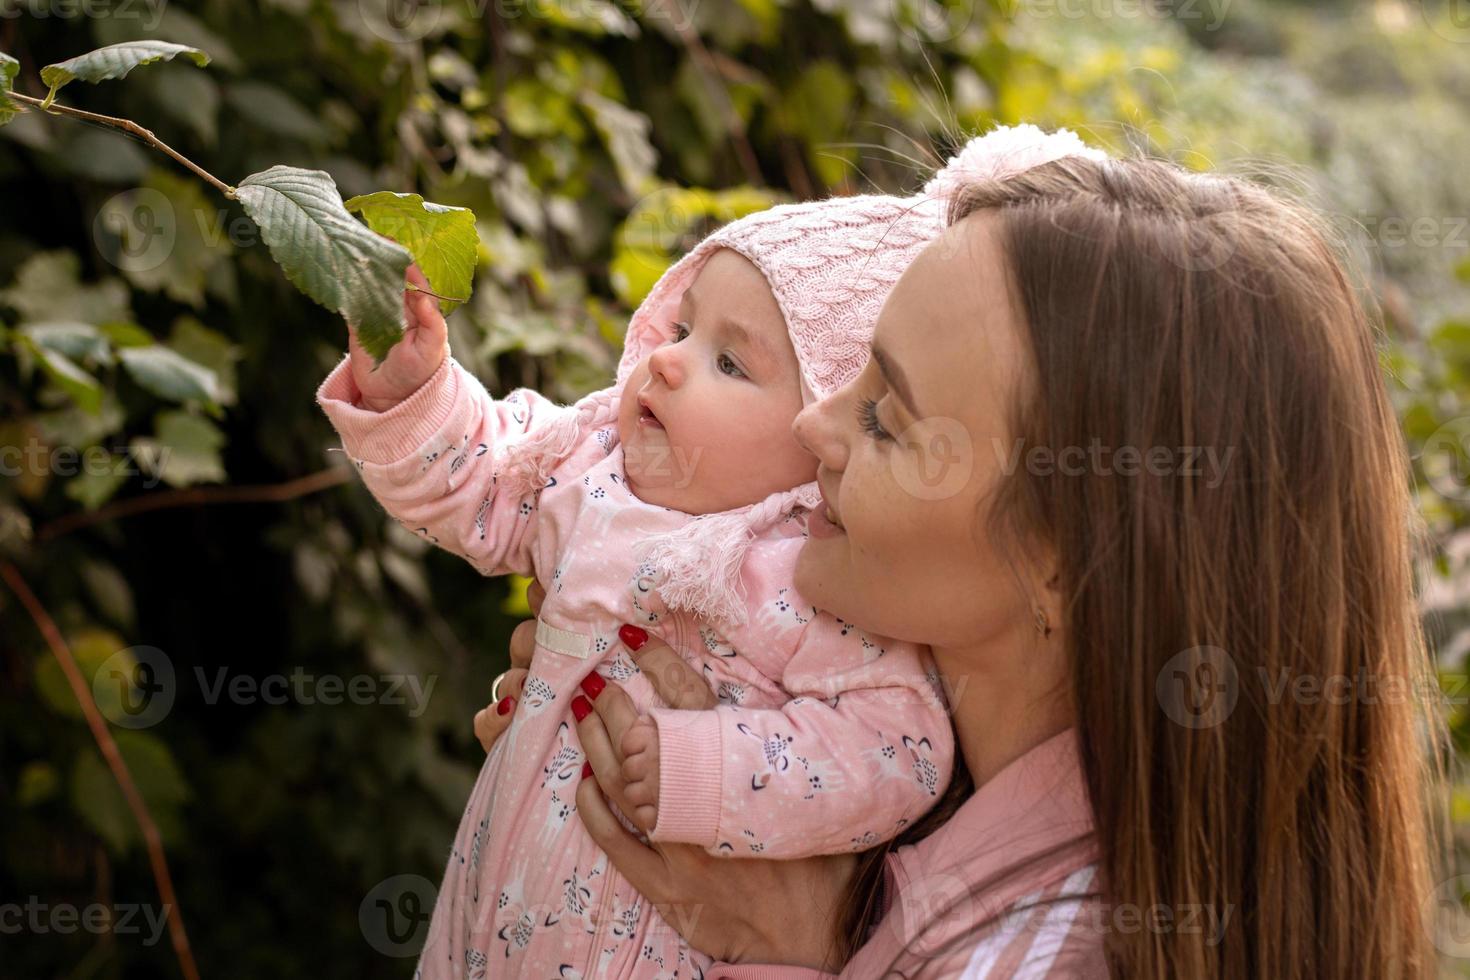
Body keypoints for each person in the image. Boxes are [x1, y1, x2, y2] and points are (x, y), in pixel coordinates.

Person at [482, 152, 1444, 978]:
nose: (814, 426)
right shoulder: (889, 782)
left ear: (1062, 559)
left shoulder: (1039, 953)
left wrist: (793, 943)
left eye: (888, 420)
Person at [317, 126, 1102, 979]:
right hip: (493, 909)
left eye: (885, 416)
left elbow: (894, 746)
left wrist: (696, 771)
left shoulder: (789, 580)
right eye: (682, 327)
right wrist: (415, 392)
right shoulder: (594, 470)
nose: (667, 360)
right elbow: (486, 481)